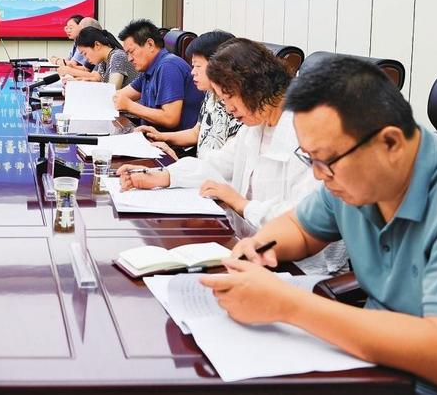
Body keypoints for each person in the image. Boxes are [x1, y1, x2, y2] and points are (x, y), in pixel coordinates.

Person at [201, 57, 437, 395]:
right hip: (367, 366)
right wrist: (261, 245)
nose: (318, 175)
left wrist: (287, 305)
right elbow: (299, 226)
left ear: (390, 143)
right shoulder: (353, 177)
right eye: (310, 159)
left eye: (326, 161)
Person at [118, 38, 346, 274]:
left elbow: (305, 218)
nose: (228, 109)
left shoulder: (305, 134)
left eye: (229, 97)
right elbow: (217, 164)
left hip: (300, 268)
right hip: (249, 248)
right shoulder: (255, 125)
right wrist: (163, 176)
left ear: (254, 87)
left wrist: (241, 204)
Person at [135, 30, 241, 158]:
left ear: (220, 66)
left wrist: (177, 162)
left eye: (198, 66)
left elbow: (226, 165)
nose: (192, 72)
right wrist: (160, 136)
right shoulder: (210, 94)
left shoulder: (238, 108)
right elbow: (197, 132)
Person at [113, 18, 202, 130]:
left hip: (171, 140)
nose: (129, 59)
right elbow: (120, 96)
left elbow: (170, 119)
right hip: (153, 135)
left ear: (150, 44)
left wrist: (130, 106)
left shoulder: (168, 66)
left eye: (131, 52)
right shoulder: (149, 68)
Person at [60, 25, 137, 90]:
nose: (86, 58)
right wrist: (74, 82)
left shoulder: (117, 56)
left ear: (97, 45)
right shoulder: (103, 61)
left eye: (85, 53)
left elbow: (112, 90)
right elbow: (96, 80)